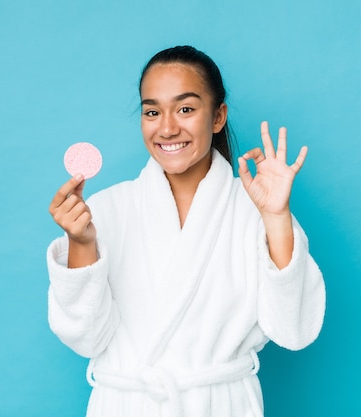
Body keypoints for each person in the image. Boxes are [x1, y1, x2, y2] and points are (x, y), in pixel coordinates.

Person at [47, 45, 326, 417]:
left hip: (220, 406)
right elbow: (86, 338)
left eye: (186, 109)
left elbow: (294, 330)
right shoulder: (106, 210)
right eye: (152, 111)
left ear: (217, 116)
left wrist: (276, 217)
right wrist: (81, 242)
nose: (166, 127)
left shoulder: (254, 209)